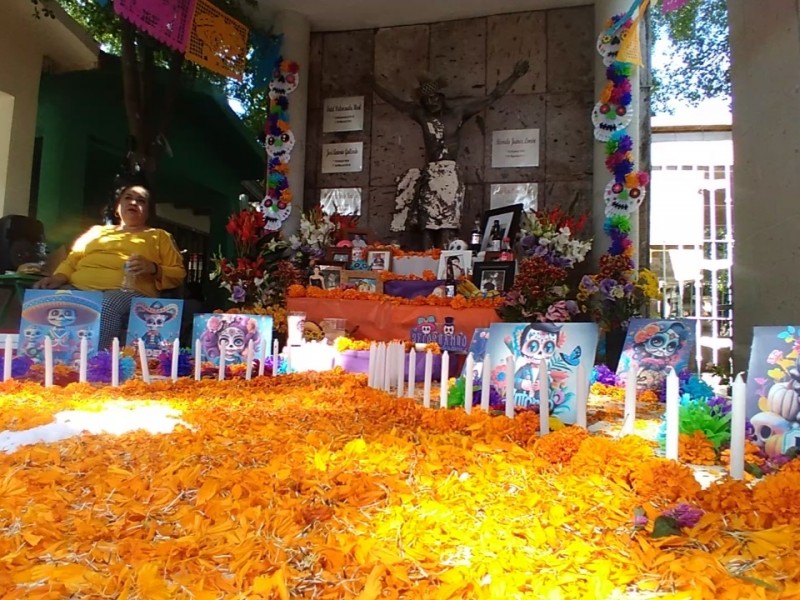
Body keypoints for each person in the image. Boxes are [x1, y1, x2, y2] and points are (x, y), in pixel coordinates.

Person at [375, 60, 529, 249]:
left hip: (449, 175)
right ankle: (427, 264)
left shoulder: (458, 111)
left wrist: (515, 76)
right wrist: (373, 86)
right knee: (427, 225)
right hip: (431, 174)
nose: (431, 102)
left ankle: (445, 267)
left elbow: (491, 97)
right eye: (427, 100)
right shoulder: (422, 114)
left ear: (441, 96)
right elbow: (395, 102)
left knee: (447, 225)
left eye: (434, 98)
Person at [34, 179, 186, 350]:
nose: (133, 202)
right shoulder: (96, 232)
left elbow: (178, 274)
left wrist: (153, 268)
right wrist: (58, 277)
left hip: (129, 292)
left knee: (106, 304)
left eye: (141, 200)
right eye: (128, 198)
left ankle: (98, 362)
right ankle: (47, 360)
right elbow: (73, 259)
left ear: (148, 211)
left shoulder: (159, 236)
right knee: (47, 298)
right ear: (117, 207)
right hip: (80, 287)